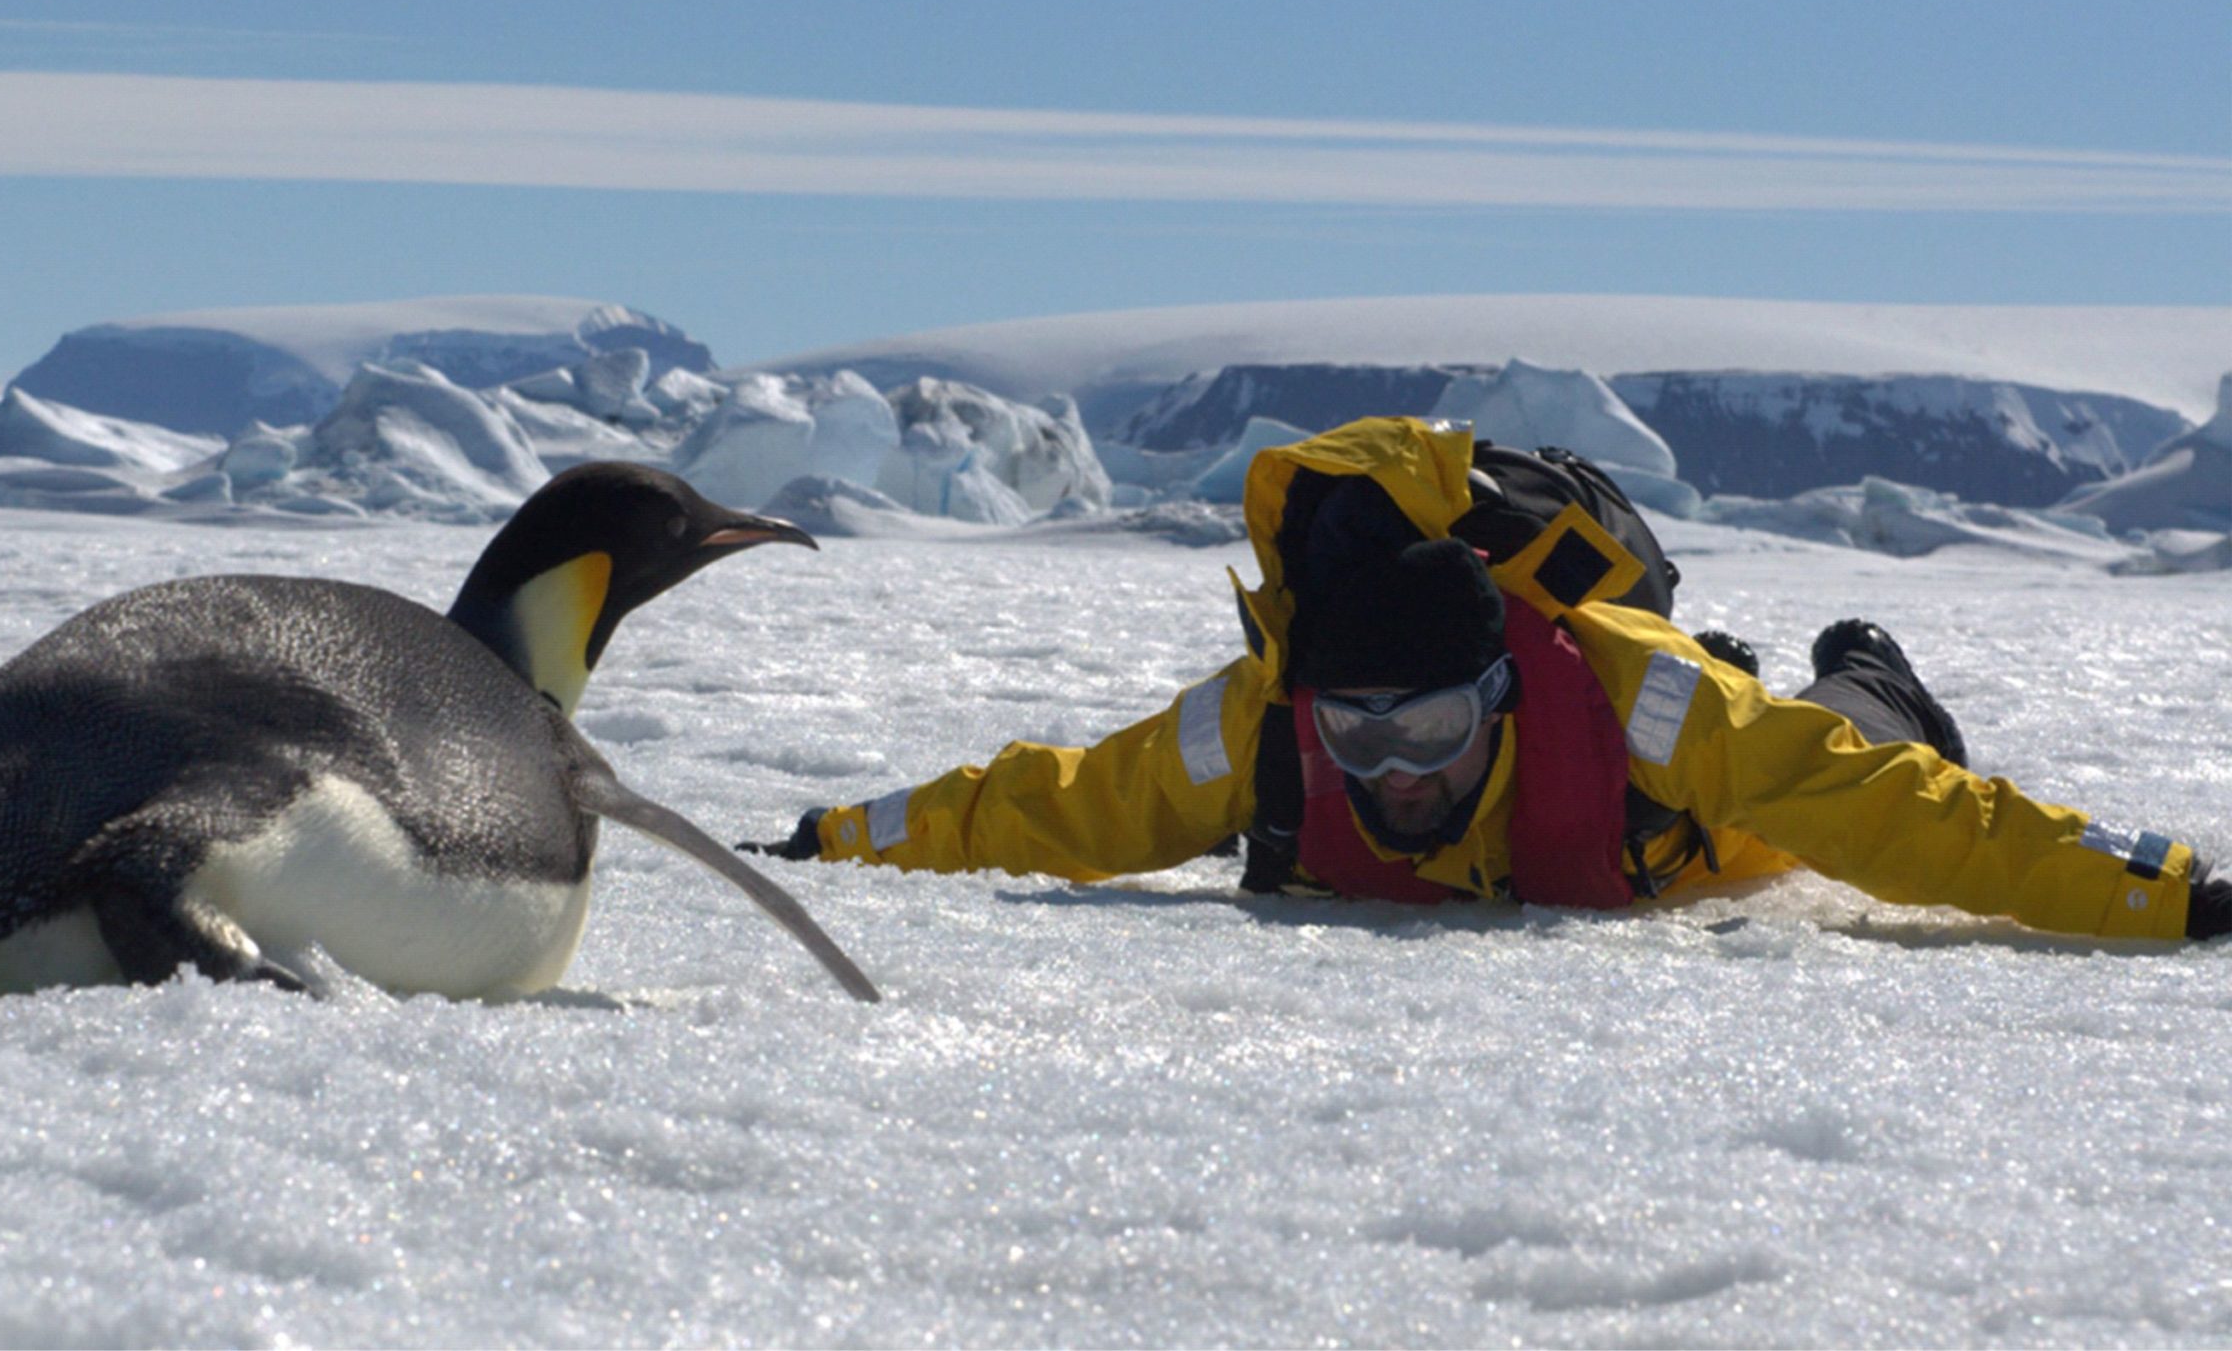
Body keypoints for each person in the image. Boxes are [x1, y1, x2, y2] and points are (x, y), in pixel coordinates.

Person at [746, 417, 2230, 940]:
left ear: (1505, 697)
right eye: (1361, 737)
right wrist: (841, 836)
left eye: (1437, 730)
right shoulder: (1264, 730)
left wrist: (2166, 892)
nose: (1394, 777)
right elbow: (1056, 804)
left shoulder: (1638, 700)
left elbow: (1900, 818)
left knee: (1843, 739)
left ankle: (1879, 666)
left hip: (1715, 821)